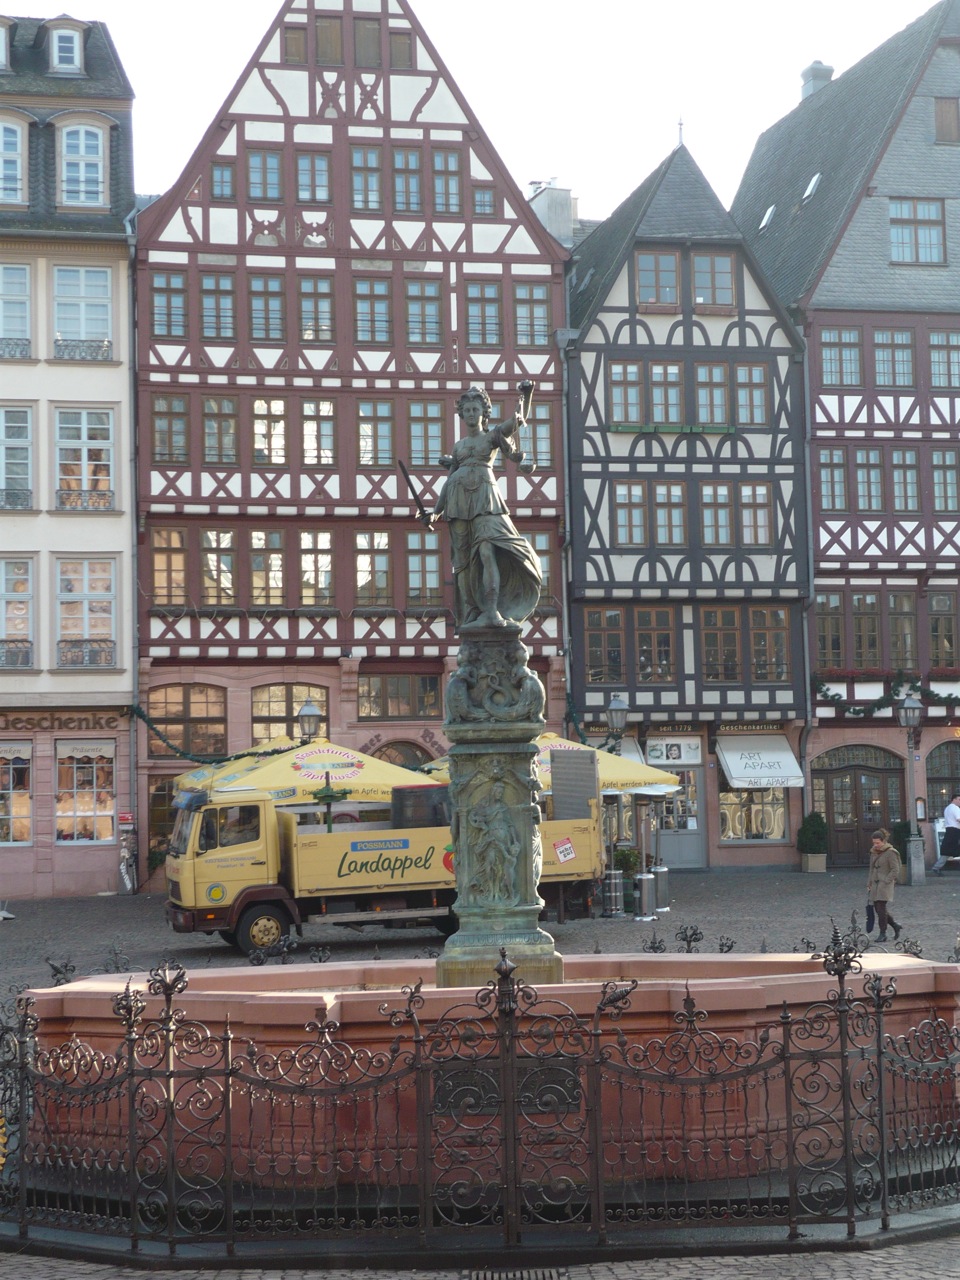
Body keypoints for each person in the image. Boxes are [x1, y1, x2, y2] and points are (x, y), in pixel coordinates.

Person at [430, 386, 542, 630]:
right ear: (462, 414)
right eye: (467, 410)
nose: (471, 414)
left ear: (484, 413)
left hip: (485, 499)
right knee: (462, 563)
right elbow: (449, 480)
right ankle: (471, 613)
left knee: (487, 550)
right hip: (458, 502)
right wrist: (435, 512)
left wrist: (527, 395)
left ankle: (492, 611)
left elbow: (517, 420)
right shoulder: (458, 447)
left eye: (475, 409)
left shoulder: (492, 436)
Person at [867, 828, 902, 943]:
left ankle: (883, 933)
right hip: (875, 884)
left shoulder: (891, 852)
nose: (875, 845)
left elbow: (895, 869)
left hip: (885, 885)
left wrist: (887, 880)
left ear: (883, 841)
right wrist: (869, 882)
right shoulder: (873, 852)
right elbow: (871, 869)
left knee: (881, 909)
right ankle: (895, 925)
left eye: (877, 843)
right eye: (874, 843)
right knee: (878, 909)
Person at [931, 789, 960, 876]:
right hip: (955, 831)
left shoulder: (947, 808)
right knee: (948, 851)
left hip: (950, 830)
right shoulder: (955, 808)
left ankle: (937, 867)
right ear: (954, 799)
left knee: (947, 851)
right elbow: (959, 819)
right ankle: (936, 867)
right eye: (959, 799)